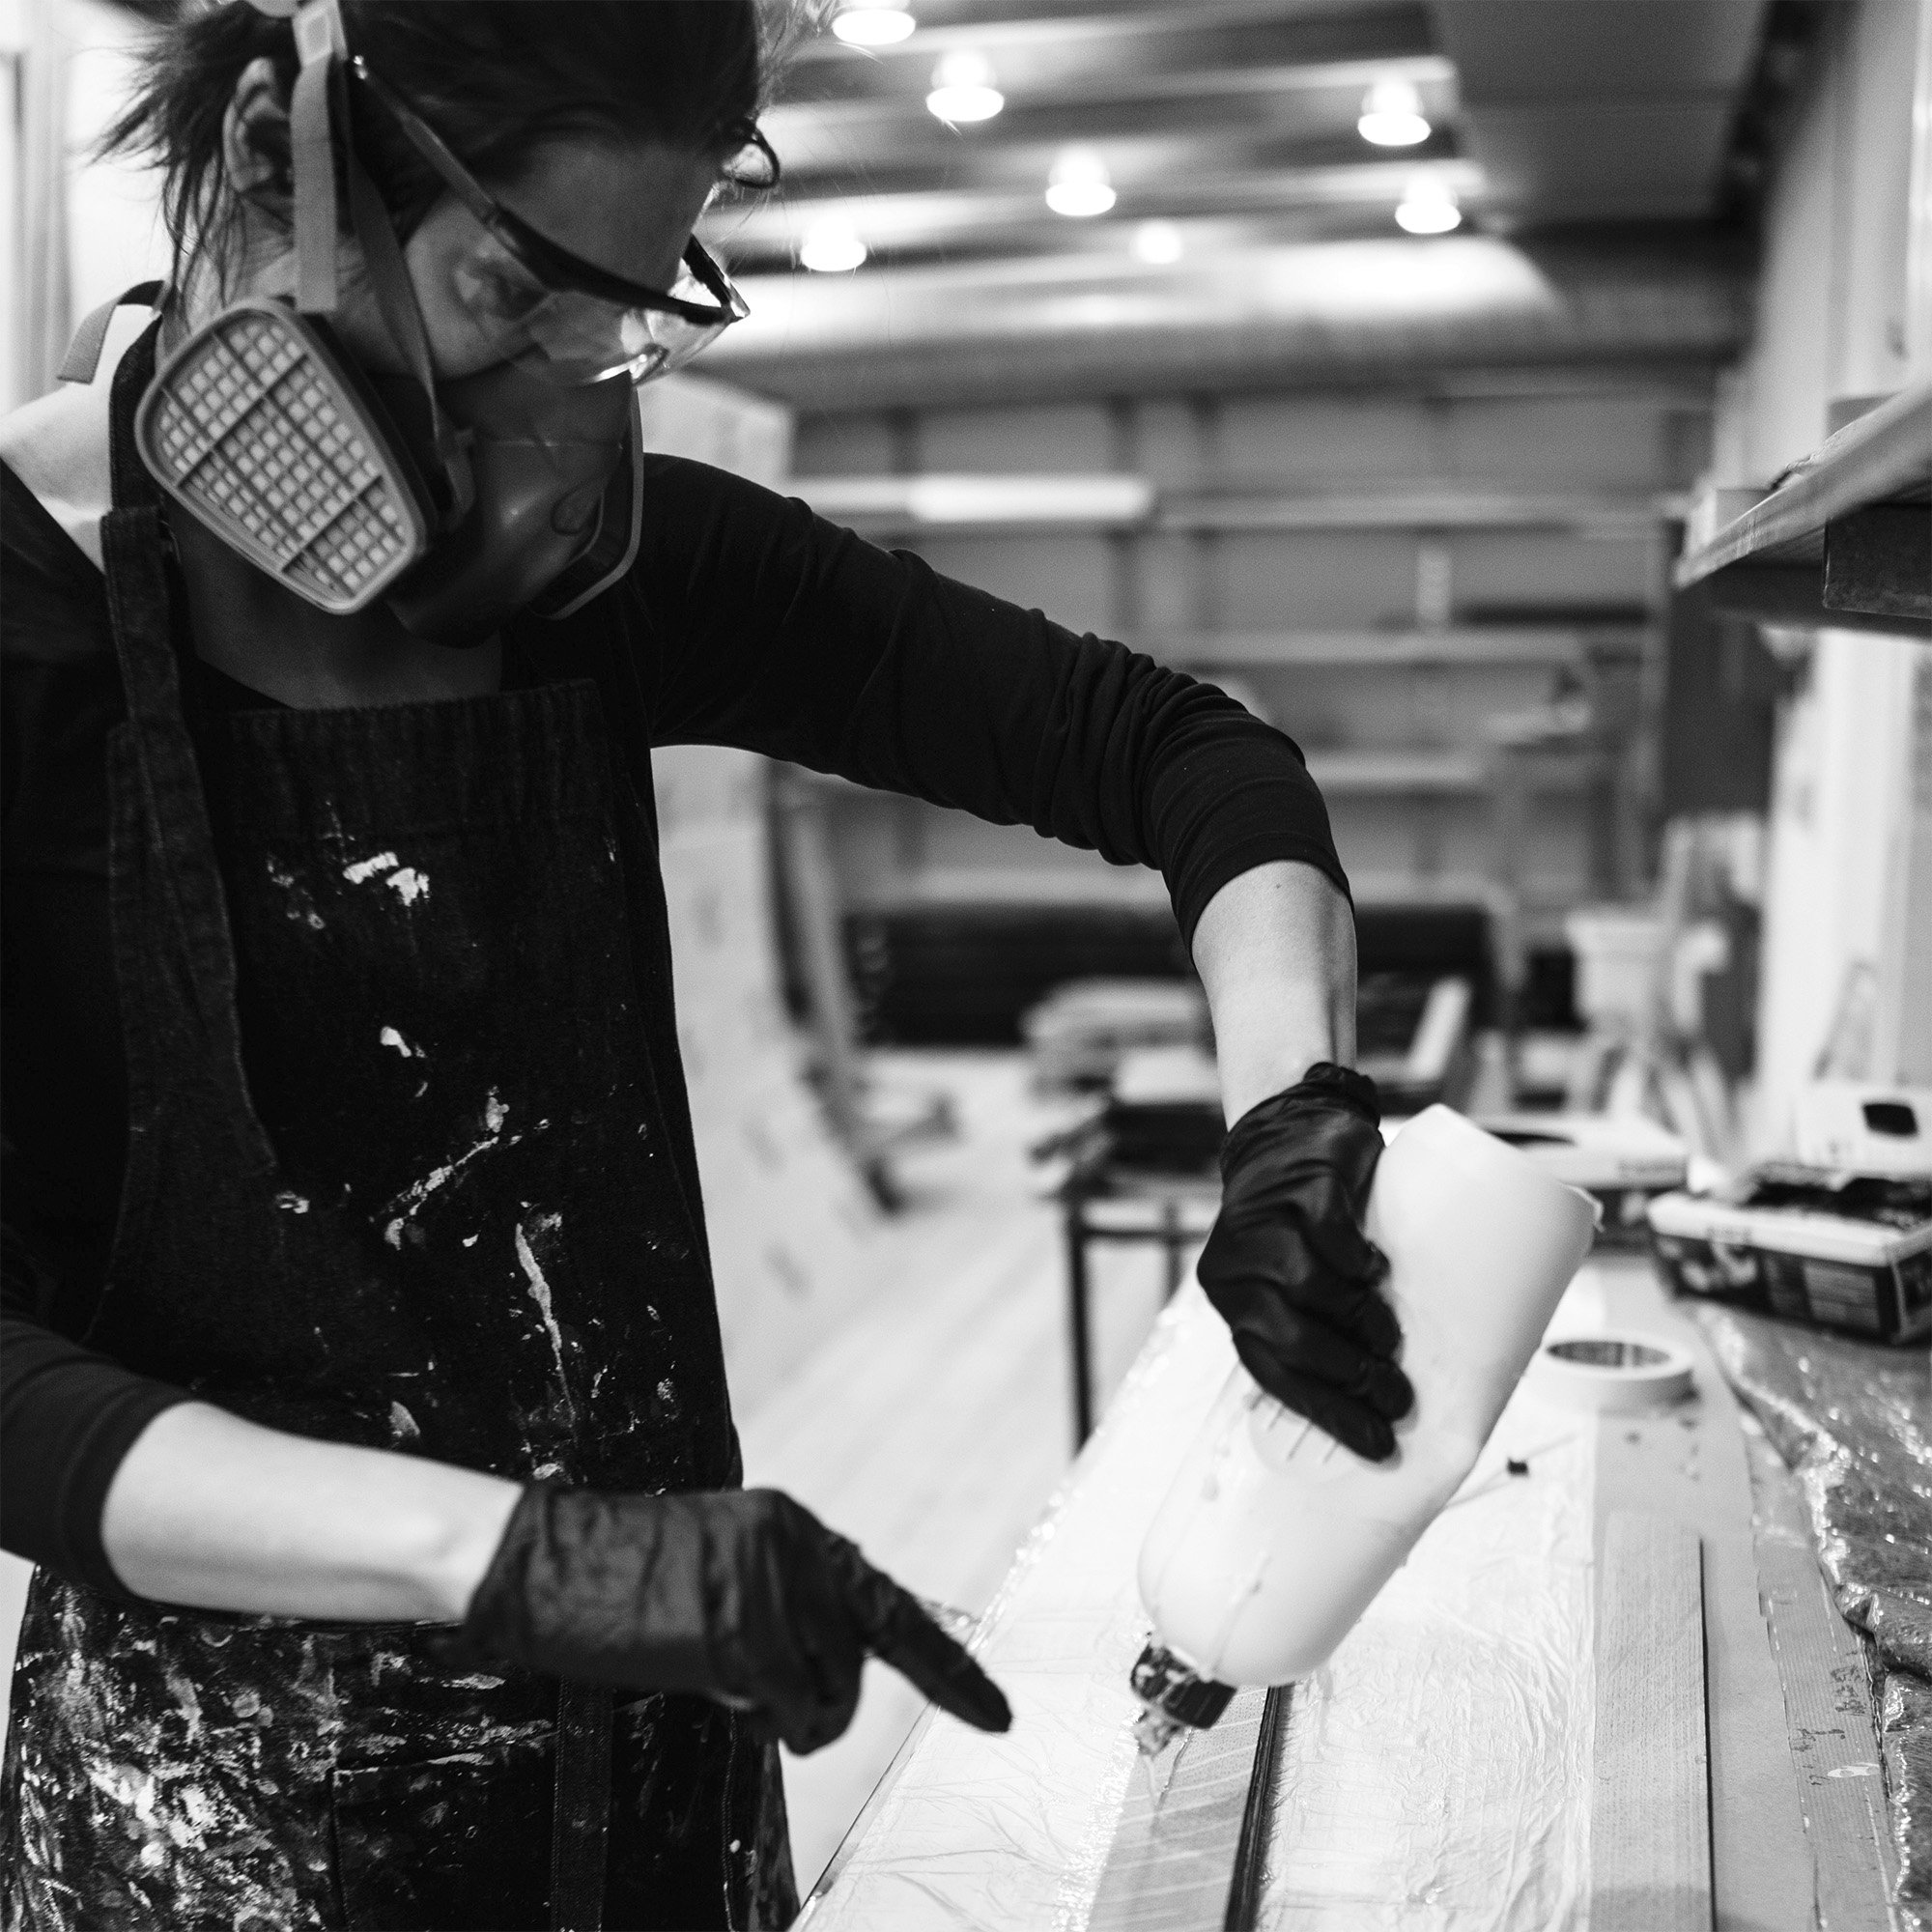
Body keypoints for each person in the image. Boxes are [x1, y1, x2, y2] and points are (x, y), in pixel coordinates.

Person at [0, 2, 1411, 1925]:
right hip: (217, 1824)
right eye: (515, 291)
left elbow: (1182, 755)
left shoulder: (590, 583)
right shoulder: (20, 622)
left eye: (621, 316)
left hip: (649, 1777)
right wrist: (529, 1560)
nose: (563, 411)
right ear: (279, 169)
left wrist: (1292, 1116)